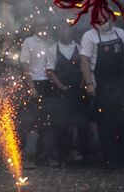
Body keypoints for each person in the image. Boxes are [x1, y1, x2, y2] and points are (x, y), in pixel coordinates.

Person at [80, 20, 124, 168]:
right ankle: (110, 157)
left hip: (121, 82)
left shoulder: (120, 33)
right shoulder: (89, 36)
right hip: (102, 85)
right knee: (106, 122)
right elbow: (84, 61)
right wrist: (89, 84)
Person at [46, 22, 89, 164]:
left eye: (67, 28)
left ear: (72, 30)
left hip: (78, 90)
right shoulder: (52, 50)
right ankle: (63, 154)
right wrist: (61, 87)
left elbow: (85, 67)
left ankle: (84, 154)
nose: (64, 31)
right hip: (61, 92)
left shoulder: (80, 47)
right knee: (62, 124)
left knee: (81, 122)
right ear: (57, 31)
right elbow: (50, 71)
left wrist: (82, 84)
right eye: (61, 28)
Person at [19, 17, 56, 168]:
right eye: (40, 25)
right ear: (35, 27)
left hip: (49, 84)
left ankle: (48, 156)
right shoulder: (29, 42)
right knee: (32, 122)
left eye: (45, 25)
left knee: (48, 122)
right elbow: (24, 66)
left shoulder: (52, 43)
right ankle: (29, 158)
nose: (43, 28)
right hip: (35, 84)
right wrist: (31, 87)